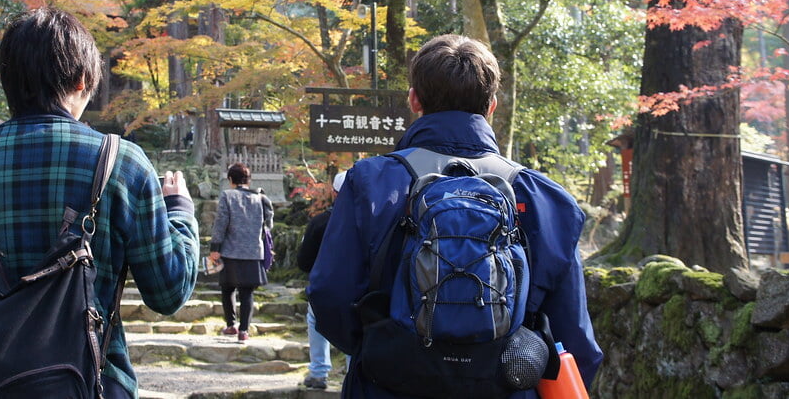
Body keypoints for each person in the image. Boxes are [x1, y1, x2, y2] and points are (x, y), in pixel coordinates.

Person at [0, 7, 200, 399]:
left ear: (8, 81)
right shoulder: (121, 165)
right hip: (89, 384)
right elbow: (168, 292)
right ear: (81, 80)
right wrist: (179, 211)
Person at [308, 34, 603, 398]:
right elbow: (573, 338)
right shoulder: (546, 199)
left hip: (389, 385)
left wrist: (386, 348)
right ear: (492, 105)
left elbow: (329, 295)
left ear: (414, 99)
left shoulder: (371, 183)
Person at [208, 162, 273, 342]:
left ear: (230, 179)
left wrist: (215, 248)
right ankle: (244, 331)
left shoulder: (228, 196)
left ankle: (231, 326)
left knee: (227, 288)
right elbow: (269, 225)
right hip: (253, 251)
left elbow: (221, 224)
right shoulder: (260, 198)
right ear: (248, 180)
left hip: (230, 251)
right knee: (247, 292)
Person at [297, 170, 349, 390]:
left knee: (315, 320)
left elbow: (304, 261)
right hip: (360, 288)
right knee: (355, 325)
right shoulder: (371, 221)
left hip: (325, 287)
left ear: (335, 193)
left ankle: (319, 373)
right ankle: (352, 375)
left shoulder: (320, 222)